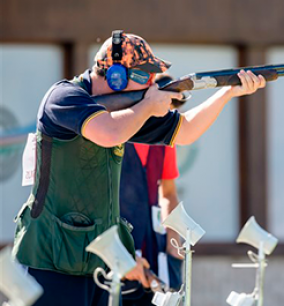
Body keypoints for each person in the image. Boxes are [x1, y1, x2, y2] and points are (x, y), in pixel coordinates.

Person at [12, 30, 265, 306]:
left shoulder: (131, 112)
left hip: (99, 265)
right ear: (115, 77)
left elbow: (187, 130)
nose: (152, 84)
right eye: (144, 77)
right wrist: (147, 106)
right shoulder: (63, 97)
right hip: (49, 262)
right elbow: (108, 132)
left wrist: (228, 93)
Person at [120, 76, 185, 305]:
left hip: (152, 242)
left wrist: (173, 245)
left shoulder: (165, 140)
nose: (168, 112)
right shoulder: (115, 132)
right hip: (118, 242)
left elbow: (168, 194)